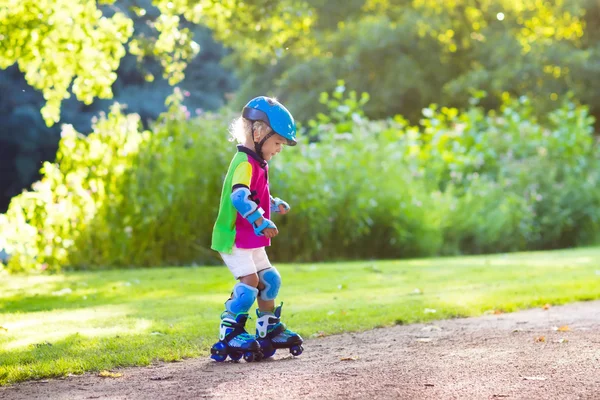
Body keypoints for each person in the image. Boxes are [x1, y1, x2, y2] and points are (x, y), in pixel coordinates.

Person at [209, 96, 304, 362]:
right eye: (277, 142)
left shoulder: (258, 164)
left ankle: (268, 329)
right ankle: (230, 331)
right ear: (258, 132)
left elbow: (255, 194)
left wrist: (272, 204)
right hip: (234, 237)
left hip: (251, 238)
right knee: (250, 282)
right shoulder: (243, 162)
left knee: (271, 280)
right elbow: (238, 198)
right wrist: (261, 221)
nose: (279, 149)